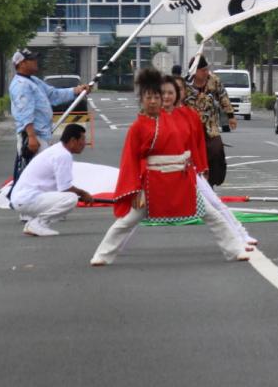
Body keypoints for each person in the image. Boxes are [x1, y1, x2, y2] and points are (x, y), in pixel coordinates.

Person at [91, 67, 248, 266]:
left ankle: (234, 250)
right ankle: (102, 255)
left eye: (158, 96)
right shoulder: (138, 127)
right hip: (153, 184)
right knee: (127, 221)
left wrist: (200, 169)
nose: (155, 100)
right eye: (149, 97)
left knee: (213, 216)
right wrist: (135, 189)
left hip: (182, 180)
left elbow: (193, 146)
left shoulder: (180, 116)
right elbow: (130, 160)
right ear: (142, 100)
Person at [161, 74, 255, 249]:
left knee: (214, 206)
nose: (169, 96)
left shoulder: (189, 115)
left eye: (175, 91)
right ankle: (105, 252)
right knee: (130, 219)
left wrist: (202, 167)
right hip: (158, 175)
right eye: (164, 92)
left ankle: (240, 236)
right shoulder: (154, 118)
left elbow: (196, 146)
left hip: (187, 171)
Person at [9, 48, 90, 176]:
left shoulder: (33, 80)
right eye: (31, 59)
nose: (36, 61)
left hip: (42, 135)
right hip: (34, 136)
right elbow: (24, 113)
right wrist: (31, 137)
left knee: (42, 173)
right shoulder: (21, 85)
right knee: (36, 175)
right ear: (21, 63)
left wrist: (76, 91)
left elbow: (53, 94)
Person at [10, 123, 93, 237]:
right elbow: (65, 188)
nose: (84, 143)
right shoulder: (63, 155)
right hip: (27, 198)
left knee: (66, 198)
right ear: (73, 140)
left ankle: (37, 224)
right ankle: (37, 224)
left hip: (24, 198)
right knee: (70, 199)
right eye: (82, 139)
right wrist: (83, 194)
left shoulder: (57, 150)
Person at [185, 55, 235, 187]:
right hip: (190, 128)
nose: (206, 73)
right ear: (194, 71)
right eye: (203, 70)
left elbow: (223, 96)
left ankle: (212, 181)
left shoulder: (214, 80)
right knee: (193, 156)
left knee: (216, 150)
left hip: (210, 125)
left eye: (207, 69)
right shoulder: (184, 85)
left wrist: (230, 116)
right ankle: (193, 182)